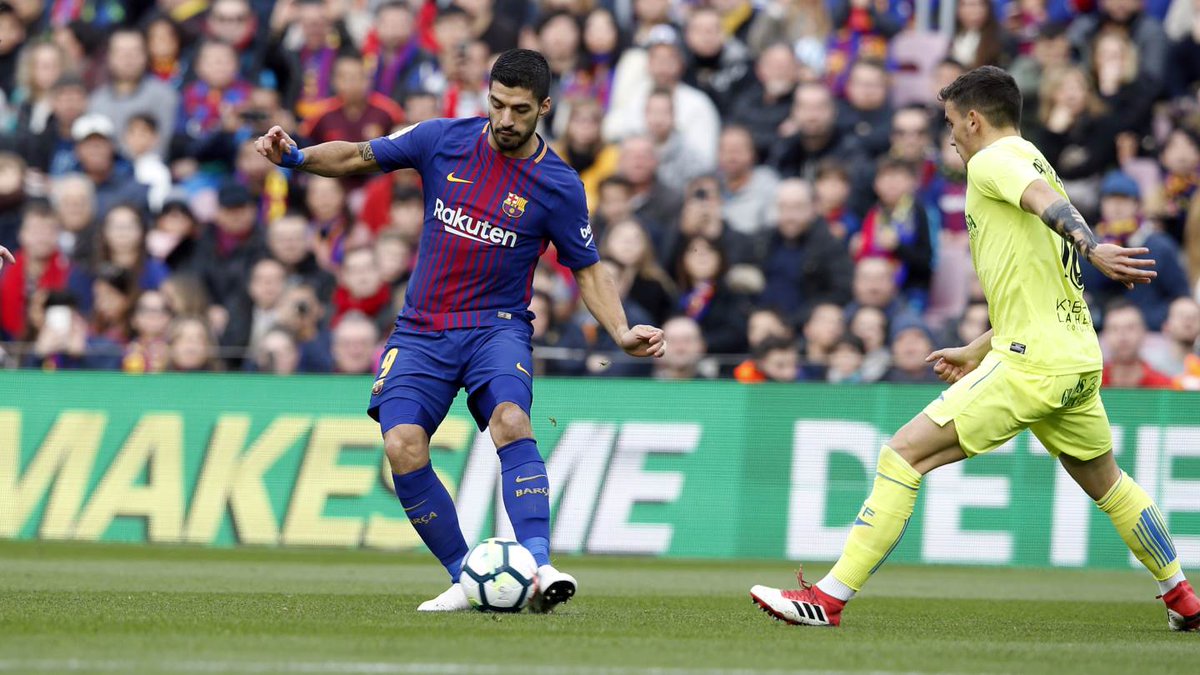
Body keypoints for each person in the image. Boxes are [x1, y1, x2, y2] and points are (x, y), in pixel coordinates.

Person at [750, 66, 1199, 632]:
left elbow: (1045, 205)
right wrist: (977, 347)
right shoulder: (1035, 158)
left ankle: (828, 598)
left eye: (949, 124)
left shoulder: (993, 161)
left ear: (972, 119)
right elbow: (1038, 282)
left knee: (903, 455)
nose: (950, 139)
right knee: (1108, 482)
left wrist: (1091, 246)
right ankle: (1183, 597)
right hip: (1075, 356)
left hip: (1034, 362)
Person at [255, 48, 665, 613]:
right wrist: (298, 157)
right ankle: (465, 577)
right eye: (497, 104)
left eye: (520, 109)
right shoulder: (441, 138)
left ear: (545, 107)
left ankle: (540, 565)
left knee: (511, 420)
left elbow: (588, 268)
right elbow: (356, 155)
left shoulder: (559, 184)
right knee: (402, 445)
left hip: (496, 328)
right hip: (421, 330)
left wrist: (619, 331)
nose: (505, 119)